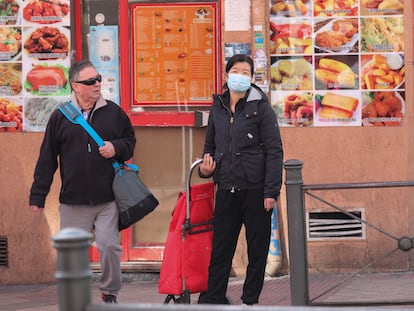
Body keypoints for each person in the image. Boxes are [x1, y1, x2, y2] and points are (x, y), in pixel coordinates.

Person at [29, 60, 136, 304]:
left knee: (109, 247)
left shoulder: (113, 112)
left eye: (98, 78)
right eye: (90, 81)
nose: (97, 84)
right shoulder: (60, 117)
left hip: (107, 198)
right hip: (73, 201)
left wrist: (116, 147)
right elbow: (47, 158)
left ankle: (110, 293)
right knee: (74, 257)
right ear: (76, 86)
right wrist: (38, 196)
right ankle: (75, 298)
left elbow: (130, 140)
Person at [197, 54, 283, 305]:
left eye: (246, 72)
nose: (240, 76)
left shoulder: (261, 107)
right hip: (226, 187)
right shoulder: (218, 107)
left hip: (256, 190)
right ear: (226, 75)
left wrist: (271, 191)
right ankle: (213, 299)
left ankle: (249, 301)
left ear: (252, 78)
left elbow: (274, 150)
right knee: (221, 249)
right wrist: (206, 168)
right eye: (236, 71)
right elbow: (210, 145)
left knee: (257, 250)